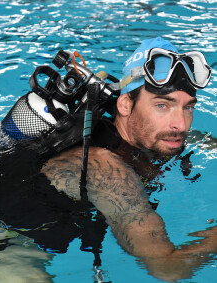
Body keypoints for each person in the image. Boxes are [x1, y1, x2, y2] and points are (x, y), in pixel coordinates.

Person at [41, 37, 217, 281]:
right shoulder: (104, 168)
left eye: (188, 107)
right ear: (125, 104)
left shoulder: (154, 134)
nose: (180, 124)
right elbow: (167, 268)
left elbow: (202, 140)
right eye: (163, 106)